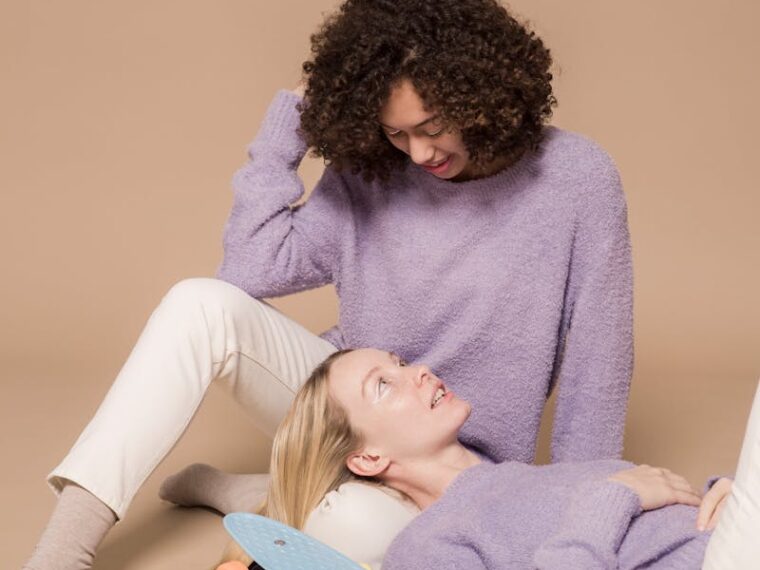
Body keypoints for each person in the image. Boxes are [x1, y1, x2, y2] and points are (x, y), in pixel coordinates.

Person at [23, 1, 636, 568]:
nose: (419, 153)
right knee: (197, 303)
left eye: (433, 125)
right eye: (397, 133)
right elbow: (249, 271)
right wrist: (286, 129)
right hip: (355, 411)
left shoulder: (576, 180)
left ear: (480, 91)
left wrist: (579, 500)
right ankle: (63, 550)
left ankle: (259, 492)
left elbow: (596, 368)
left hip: (461, 470)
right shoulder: (371, 173)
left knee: (373, 537)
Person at [215, 348, 753, 570]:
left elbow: (670, 518)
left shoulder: (544, 477)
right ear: (367, 457)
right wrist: (617, 496)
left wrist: (731, 493)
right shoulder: (427, 547)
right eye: (384, 385)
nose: (418, 371)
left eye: (400, 363)